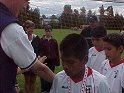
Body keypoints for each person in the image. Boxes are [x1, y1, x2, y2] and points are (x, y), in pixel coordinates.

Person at [0, 0, 55, 93]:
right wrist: (63, 82)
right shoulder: (10, 27)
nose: (25, 6)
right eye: (26, 0)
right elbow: (38, 68)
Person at [23, 20, 42, 93]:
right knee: (27, 80)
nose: (31, 29)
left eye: (32, 28)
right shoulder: (23, 38)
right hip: (26, 62)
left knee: (33, 80)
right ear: (26, 28)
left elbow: (40, 49)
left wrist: (39, 56)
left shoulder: (36, 38)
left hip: (35, 62)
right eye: (29, 28)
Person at [40, 25, 60, 93]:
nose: (48, 32)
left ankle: (50, 88)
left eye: (49, 31)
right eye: (46, 31)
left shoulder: (54, 41)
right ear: (44, 31)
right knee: (43, 74)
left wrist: (57, 61)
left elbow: (57, 51)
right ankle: (44, 89)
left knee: (50, 74)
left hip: (52, 60)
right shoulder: (42, 40)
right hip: (44, 60)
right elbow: (39, 50)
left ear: (51, 32)